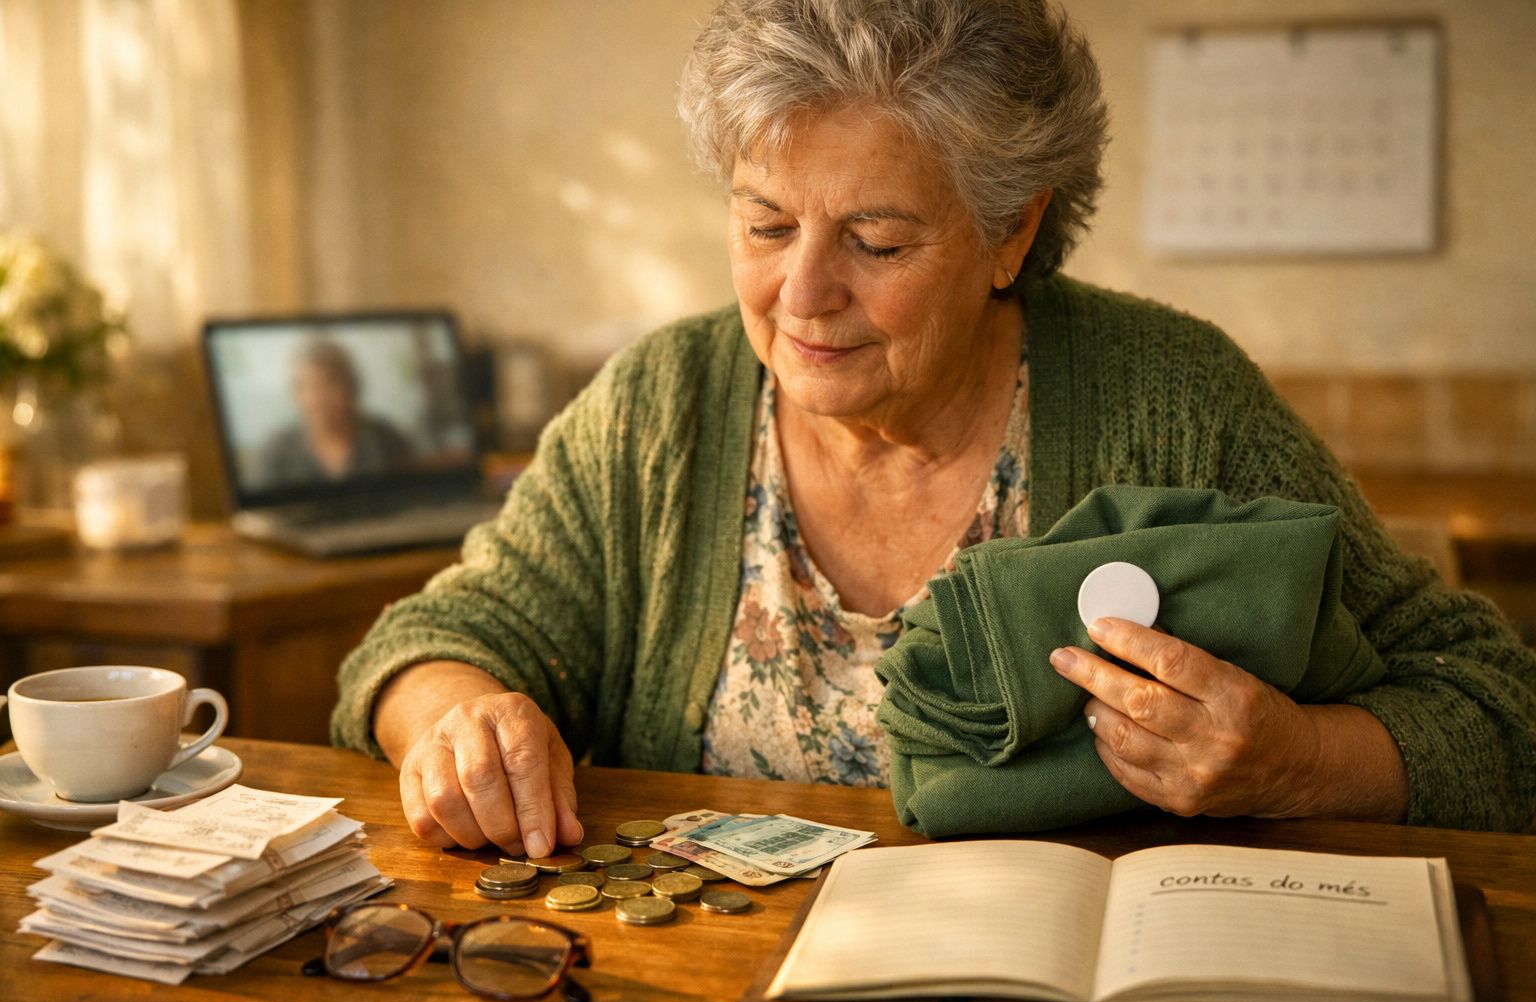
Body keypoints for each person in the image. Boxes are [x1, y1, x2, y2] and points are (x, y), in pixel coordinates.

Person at [333, 0, 1536, 857]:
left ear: (1012, 234)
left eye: (878, 241)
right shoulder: (661, 405)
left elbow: (1498, 713)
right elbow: (437, 637)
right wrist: (459, 716)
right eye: (765, 226)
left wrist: (1294, 761)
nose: (802, 295)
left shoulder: (1176, 398)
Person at [255, 335, 414, 489]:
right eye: (304, 386)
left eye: (328, 384)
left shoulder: (387, 440)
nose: (316, 398)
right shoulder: (277, 451)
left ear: (351, 386)